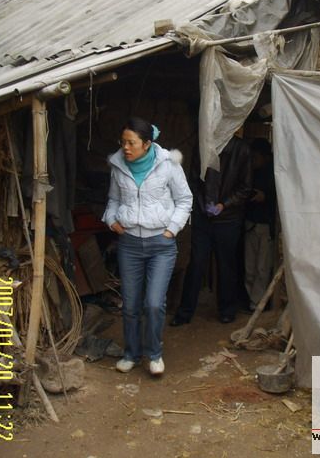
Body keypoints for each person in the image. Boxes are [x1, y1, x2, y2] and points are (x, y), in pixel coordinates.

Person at [102, 117, 192, 376]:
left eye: (131, 143)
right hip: (129, 245)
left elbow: (185, 199)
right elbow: (113, 199)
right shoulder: (118, 165)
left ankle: (154, 354)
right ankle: (131, 353)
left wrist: (171, 229)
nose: (126, 148)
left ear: (147, 144)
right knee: (131, 304)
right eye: (123, 142)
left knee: (153, 303)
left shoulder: (168, 164)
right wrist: (111, 220)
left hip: (161, 245)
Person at [170, 134, 253, 326]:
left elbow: (245, 187)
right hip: (204, 216)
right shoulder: (203, 146)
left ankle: (227, 310)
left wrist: (224, 204)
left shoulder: (242, 149)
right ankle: (185, 312)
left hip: (228, 218)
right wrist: (203, 204)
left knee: (226, 265)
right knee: (196, 263)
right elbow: (194, 180)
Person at [244, 137, 277, 311]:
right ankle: (251, 300)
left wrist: (266, 197)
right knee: (249, 267)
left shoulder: (275, 174)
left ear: (265, 157)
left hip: (265, 226)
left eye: (255, 157)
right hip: (250, 224)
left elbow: (278, 200)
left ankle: (257, 304)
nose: (253, 161)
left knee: (262, 268)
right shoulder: (249, 173)